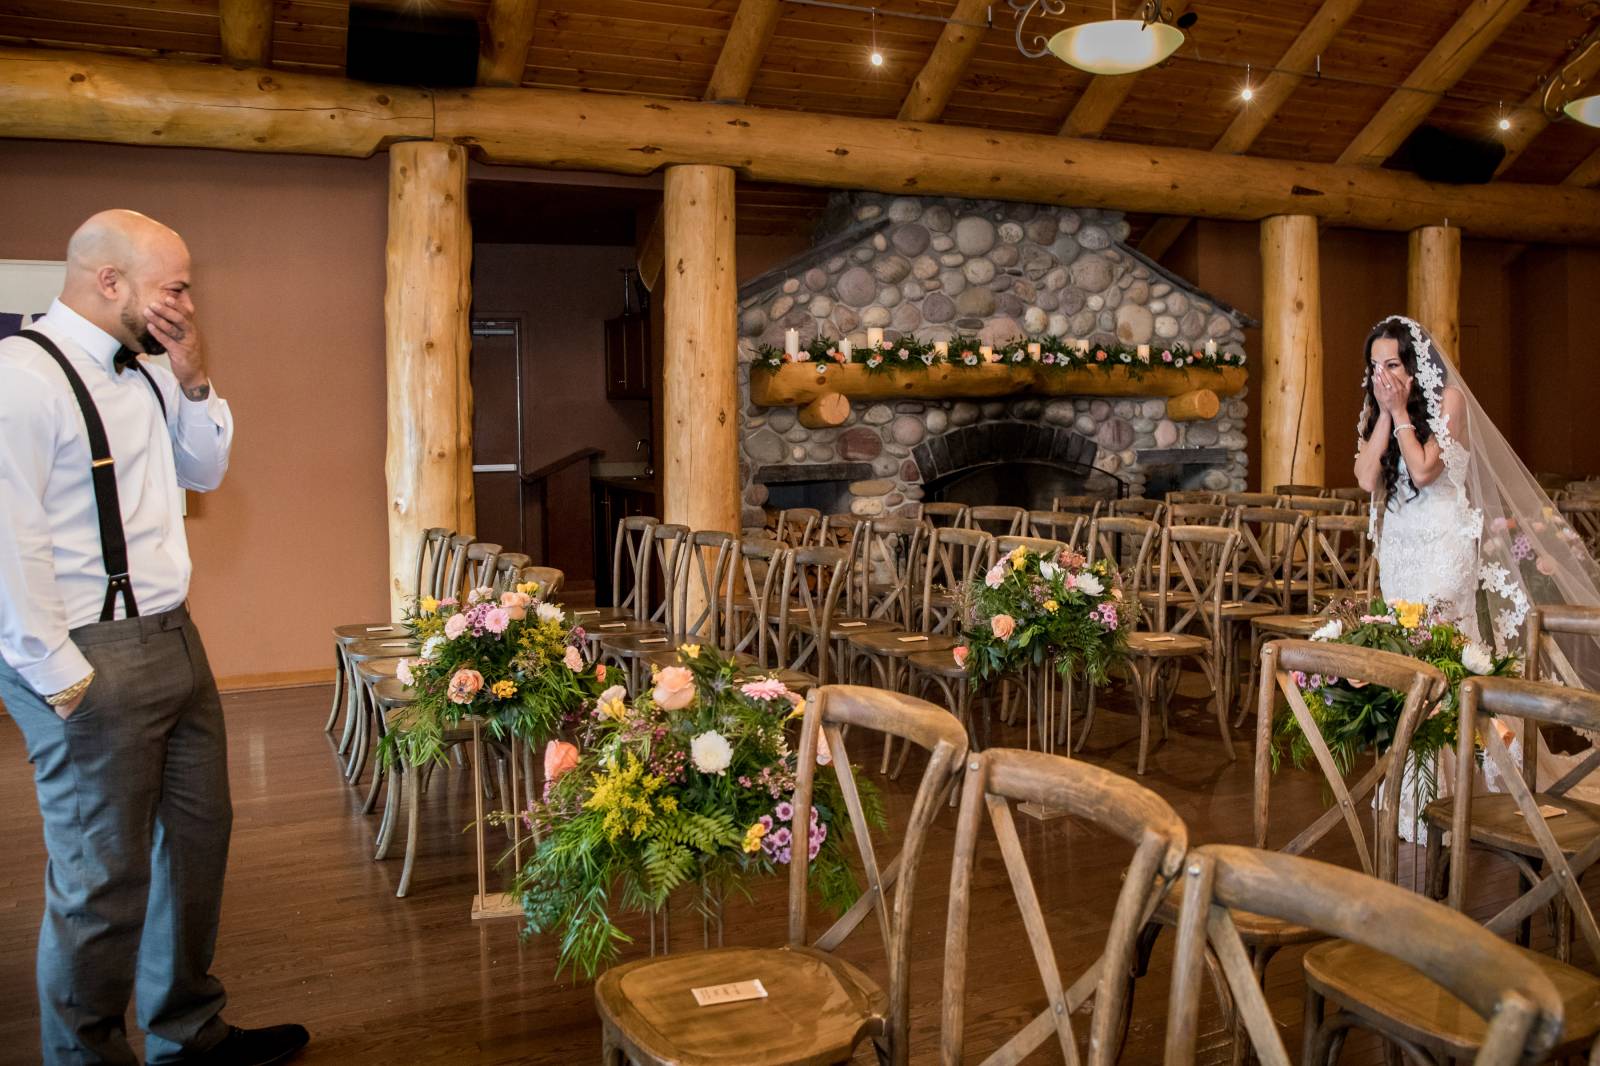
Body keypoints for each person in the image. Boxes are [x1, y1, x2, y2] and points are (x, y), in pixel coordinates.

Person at [0, 211, 308, 1065]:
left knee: (196, 844)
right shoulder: (20, 380)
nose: (184, 301)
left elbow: (204, 471)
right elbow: (6, 546)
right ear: (110, 282)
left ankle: (186, 1030)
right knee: (102, 884)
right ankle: (86, 1055)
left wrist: (192, 375)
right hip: (86, 654)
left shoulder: (142, 373)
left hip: (173, 639)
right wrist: (62, 681)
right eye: (172, 286)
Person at [1353, 313, 1600, 821]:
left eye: (1393, 363)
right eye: (1376, 366)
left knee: (1443, 650)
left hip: (1443, 543)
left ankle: (1470, 785)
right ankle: (1416, 788)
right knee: (1404, 653)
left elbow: (1423, 470)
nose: (1384, 375)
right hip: (1401, 547)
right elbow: (1363, 478)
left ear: (1416, 364)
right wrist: (1383, 413)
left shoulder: (1450, 402)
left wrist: (1399, 410)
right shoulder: (1380, 408)